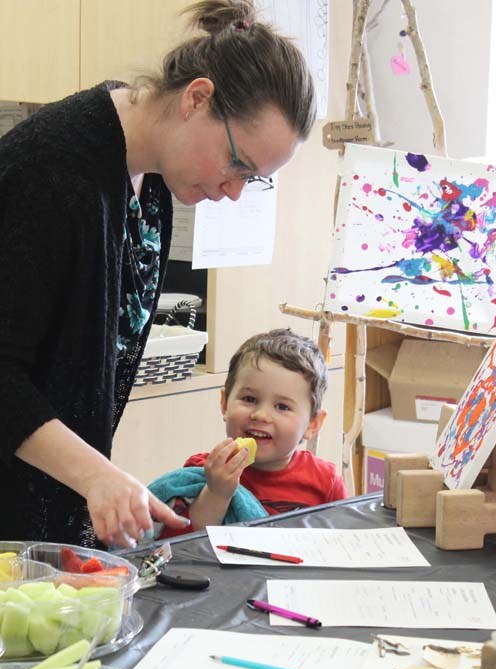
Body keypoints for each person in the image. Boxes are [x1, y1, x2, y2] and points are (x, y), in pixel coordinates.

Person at [0, 0, 316, 548]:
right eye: (237, 163)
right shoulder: (48, 173)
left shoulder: (151, 182)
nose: (235, 191)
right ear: (196, 99)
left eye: (254, 179)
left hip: (43, 515)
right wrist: (95, 475)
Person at [149, 329, 348, 537]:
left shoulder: (326, 482)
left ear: (313, 424)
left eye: (282, 406)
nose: (261, 415)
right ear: (225, 403)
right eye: (249, 399)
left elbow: (346, 545)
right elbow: (180, 548)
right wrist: (216, 492)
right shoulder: (205, 470)